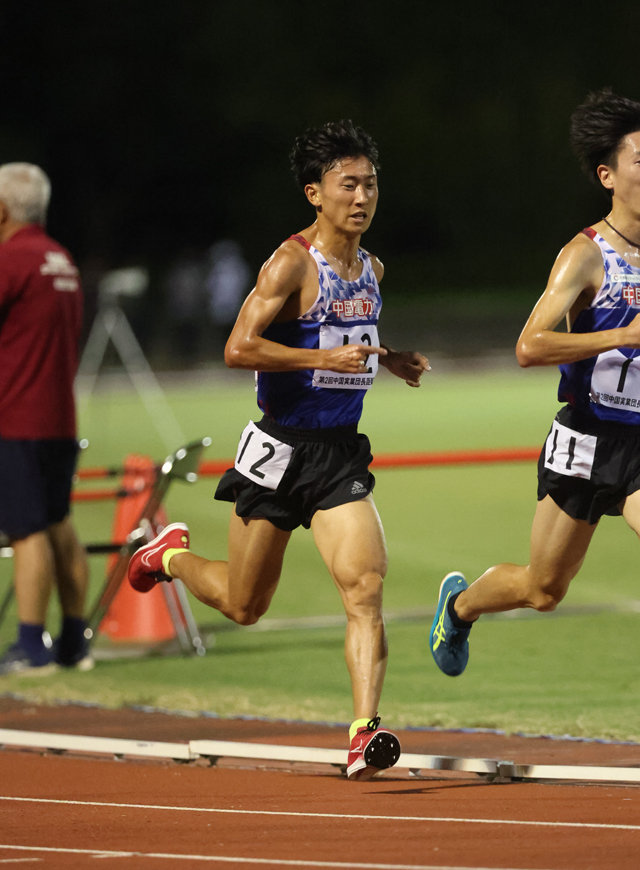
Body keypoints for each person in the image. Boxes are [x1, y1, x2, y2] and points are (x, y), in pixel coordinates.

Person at [128, 120, 429, 780]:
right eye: (347, 185)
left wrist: (389, 359)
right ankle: (168, 555)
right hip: (278, 449)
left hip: (340, 455)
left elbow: (349, 341)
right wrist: (322, 356)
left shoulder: (372, 268)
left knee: (365, 588)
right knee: (245, 605)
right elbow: (238, 348)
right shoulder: (290, 262)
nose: (362, 197)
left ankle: (362, 732)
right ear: (314, 193)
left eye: (371, 185)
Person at [430, 88, 640, 677]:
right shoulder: (586, 255)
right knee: (544, 589)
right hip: (587, 439)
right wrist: (619, 336)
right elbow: (530, 346)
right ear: (608, 175)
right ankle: (462, 606)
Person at [0, 163, 92, 675]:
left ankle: (31, 646)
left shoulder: (10, 258)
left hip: (17, 414)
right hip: (59, 415)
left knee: (26, 529)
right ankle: (75, 640)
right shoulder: (60, 258)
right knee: (57, 523)